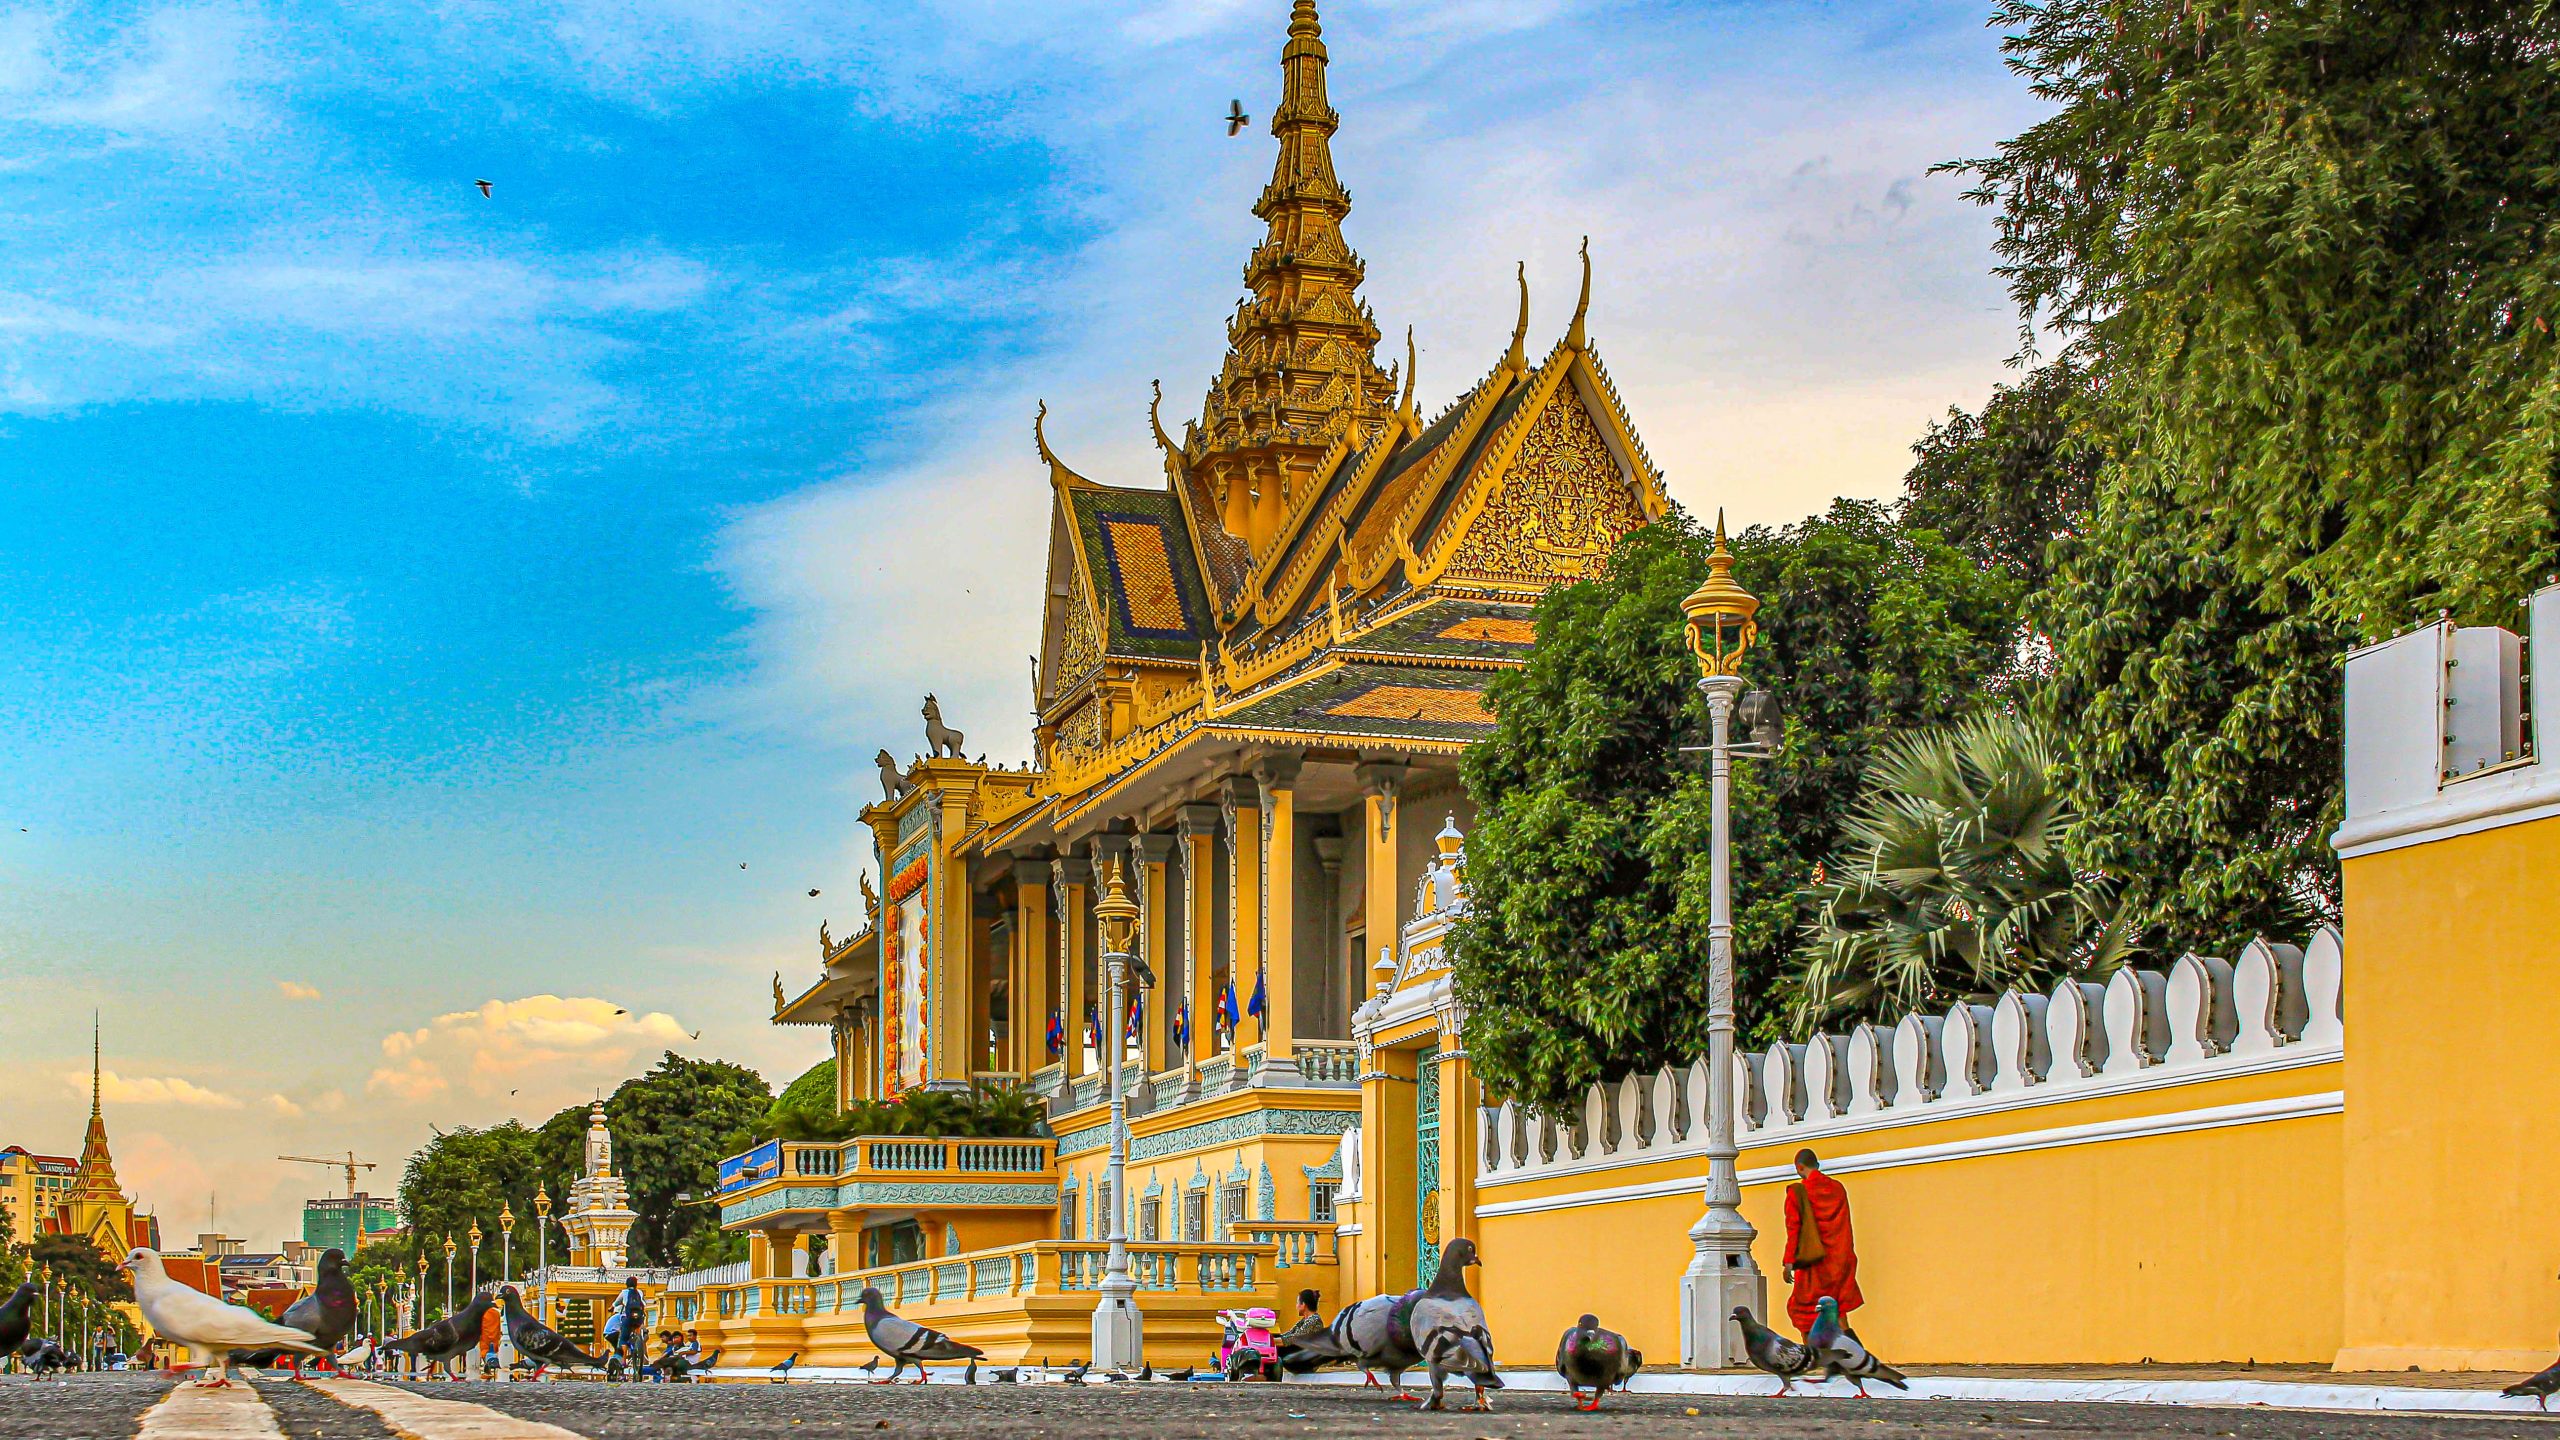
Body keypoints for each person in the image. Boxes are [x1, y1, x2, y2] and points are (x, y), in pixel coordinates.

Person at [1780, 1148, 1863, 1338]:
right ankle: (1856, 1355)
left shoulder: (1798, 1192)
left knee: (1804, 1311)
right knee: (1839, 1310)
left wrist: (1789, 1262)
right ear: (1816, 1165)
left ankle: (1813, 1356)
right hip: (1840, 1259)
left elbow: (1794, 1228)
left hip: (1814, 1264)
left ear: (1799, 1167)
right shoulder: (1838, 1188)